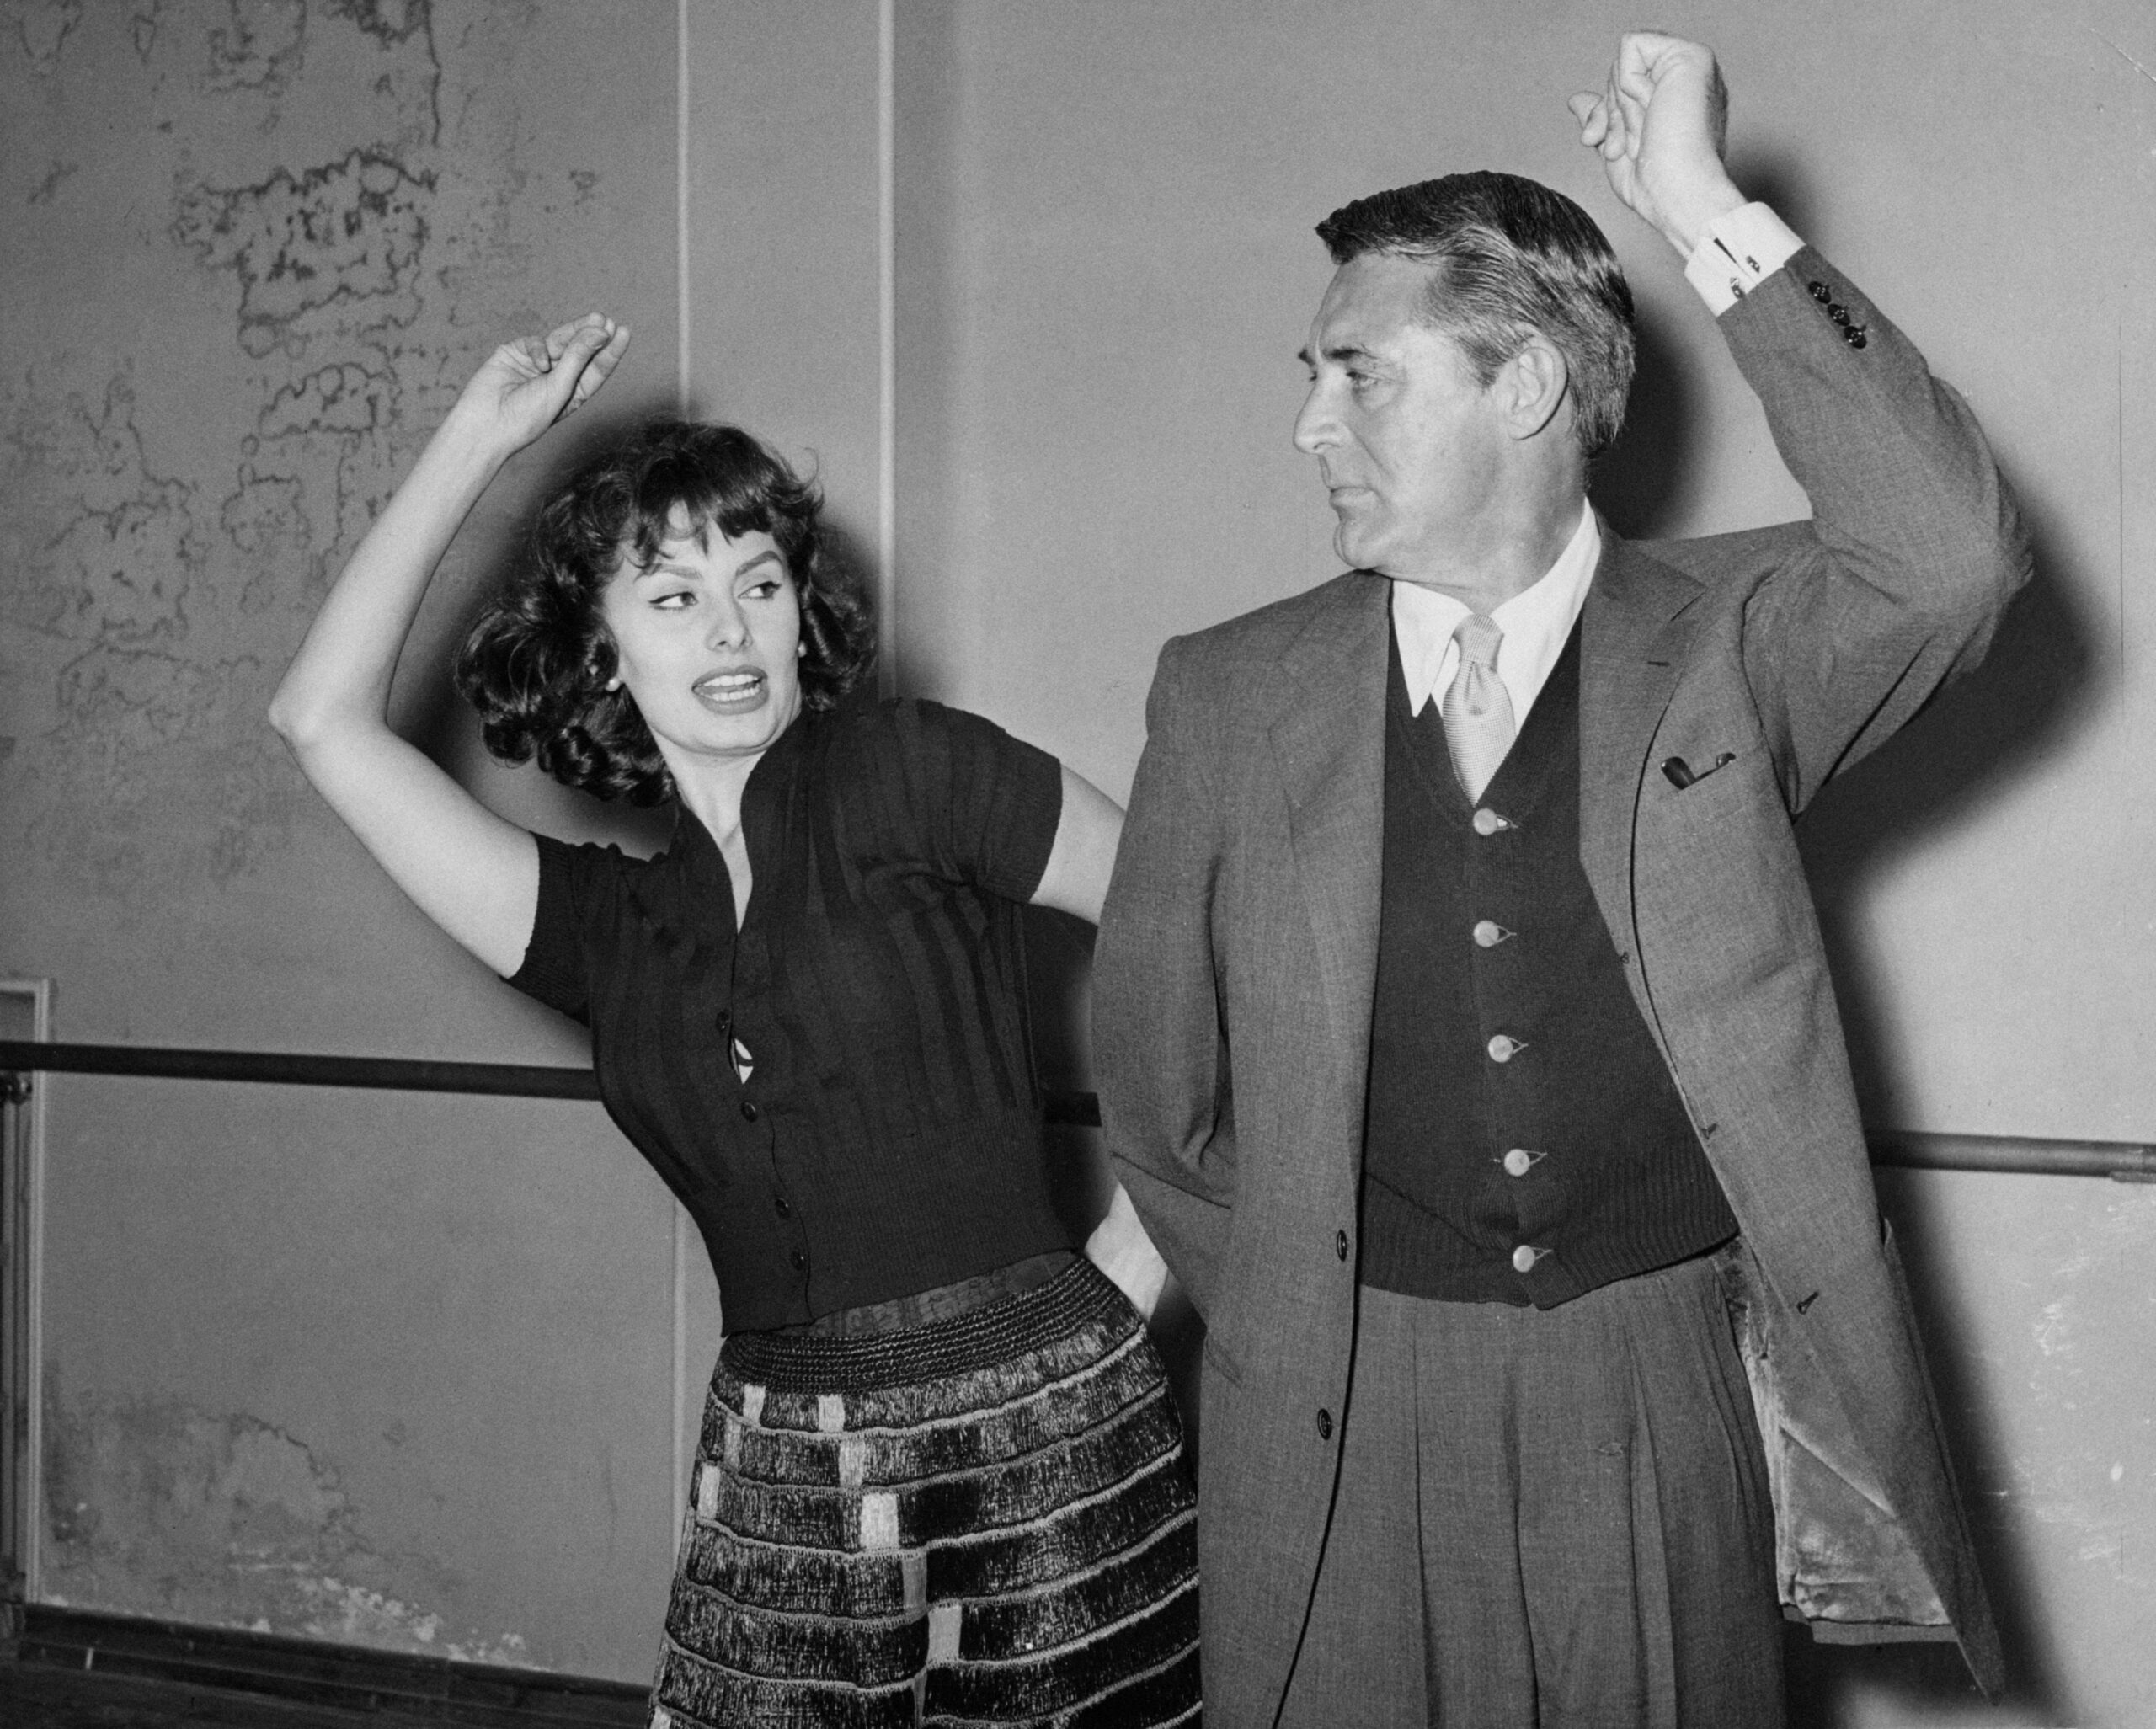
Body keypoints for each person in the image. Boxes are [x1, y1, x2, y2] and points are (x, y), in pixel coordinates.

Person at [1094, 30, 2026, 1727]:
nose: (1307, 422)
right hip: (1341, 1400)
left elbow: (1949, 557)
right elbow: (1160, 1101)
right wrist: (1318, 1310)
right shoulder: (1224, 692)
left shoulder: (1724, 648)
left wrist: (1697, 205)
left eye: (1356, 373)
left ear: (1520, 382)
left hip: (1653, 1390)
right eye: (1308, 372)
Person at [268, 318, 1198, 1726]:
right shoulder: (604, 927)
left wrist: (1136, 1258)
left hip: (1049, 1445)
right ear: (597, 654)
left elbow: (1206, 937)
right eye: (674, 594)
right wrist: (478, 436)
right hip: (772, 1474)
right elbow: (322, 720)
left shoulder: (914, 770)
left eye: (758, 582)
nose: (731, 627)